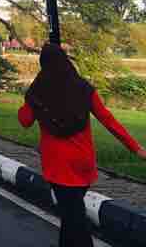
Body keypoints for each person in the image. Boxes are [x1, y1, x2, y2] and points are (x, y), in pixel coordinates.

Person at [18, 43, 146, 247]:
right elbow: (108, 120)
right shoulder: (84, 88)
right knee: (71, 215)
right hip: (83, 165)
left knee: (74, 219)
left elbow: (24, 121)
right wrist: (135, 147)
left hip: (57, 167)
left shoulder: (39, 90)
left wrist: (30, 95)